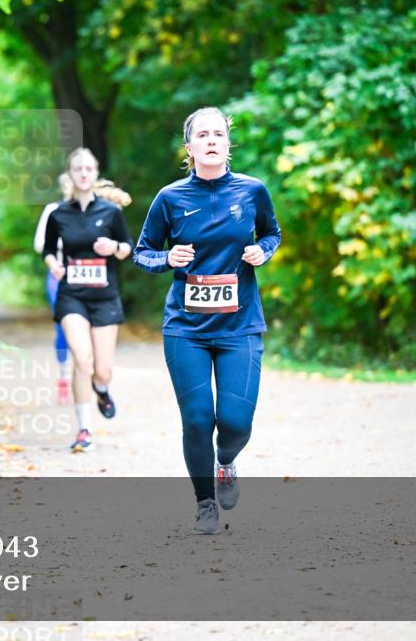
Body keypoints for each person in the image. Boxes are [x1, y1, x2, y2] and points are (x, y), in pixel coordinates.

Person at [133, 107, 281, 534]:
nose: (212, 140)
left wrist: (263, 251)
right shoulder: (170, 198)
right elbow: (143, 252)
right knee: (197, 418)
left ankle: (227, 461)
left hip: (240, 328)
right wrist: (167, 257)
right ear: (190, 146)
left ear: (228, 143)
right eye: (204, 134)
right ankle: (204, 505)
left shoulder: (253, 192)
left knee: (235, 423)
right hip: (186, 329)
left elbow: (272, 233)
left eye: (219, 133)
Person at [42, 148, 133, 452]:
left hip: (104, 296)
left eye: (88, 169)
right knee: (82, 359)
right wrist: (53, 264)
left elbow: (127, 248)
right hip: (72, 296)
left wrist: (113, 247)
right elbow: (47, 250)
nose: (83, 173)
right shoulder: (58, 214)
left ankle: (102, 389)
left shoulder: (111, 212)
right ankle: (84, 429)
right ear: (70, 175)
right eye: (77, 169)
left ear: (95, 174)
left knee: (102, 369)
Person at [33, 174, 74, 405]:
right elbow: (40, 244)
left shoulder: (93, 208)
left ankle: (88, 374)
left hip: (89, 274)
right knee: (63, 325)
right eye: (68, 184)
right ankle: (63, 375)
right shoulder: (53, 210)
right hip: (59, 272)